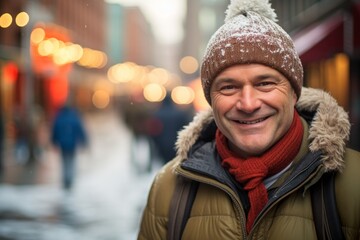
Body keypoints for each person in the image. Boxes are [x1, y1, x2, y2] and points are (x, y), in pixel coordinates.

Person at [137, 0, 360, 239]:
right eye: (229, 87)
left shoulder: (353, 184)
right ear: (211, 100)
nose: (248, 103)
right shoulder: (168, 189)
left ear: (294, 92)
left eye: (265, 83)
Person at [51, 104, 87, 190]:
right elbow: (80, 130)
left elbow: (55, 131)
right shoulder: (74, 118)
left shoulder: (59, 118)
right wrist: (84, 141)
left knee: (64, 162)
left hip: (63, 145)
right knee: (71, 161)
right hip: (72, 145)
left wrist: (54, 142)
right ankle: (69, 179)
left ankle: (66, 179)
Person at [150, 94, 192, 164]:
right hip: (176, 144)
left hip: (162, 145)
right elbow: (185, 129)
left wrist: (156, 143)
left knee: (165, 164)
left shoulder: (157, 114)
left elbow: (154, 132)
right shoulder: (179, 114)